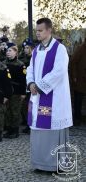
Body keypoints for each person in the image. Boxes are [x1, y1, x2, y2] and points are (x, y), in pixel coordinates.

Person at [26, 18, 72, 172]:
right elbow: (30, 69)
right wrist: (31, 83)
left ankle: (54, 164)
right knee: (38, 132)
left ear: (49, 30)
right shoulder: (36, 50)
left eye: (40, 30)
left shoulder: (59, 49)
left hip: (54, 97)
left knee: (52, 130)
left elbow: (59, 71)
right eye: (37, 30)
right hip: (38, 96)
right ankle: (40, 163)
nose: (37, 33)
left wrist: (40, 86)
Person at [3, 43, 26, 138]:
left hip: (16, 92)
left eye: (10, 51)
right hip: (6, 91)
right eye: (7, 51)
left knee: (15, 111)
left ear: (15, 52)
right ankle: (9, 129)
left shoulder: (20, 65)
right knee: (7, 111)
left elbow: (23, 80)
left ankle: (15, 130)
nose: (8, 53)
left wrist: (23, 93)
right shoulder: (4, 63)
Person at [70, 37, 86, 126]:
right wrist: (74, 76)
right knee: (78, 101)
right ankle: (77, 119)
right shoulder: (81, 48)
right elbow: (73, 61)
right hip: (80, 80)